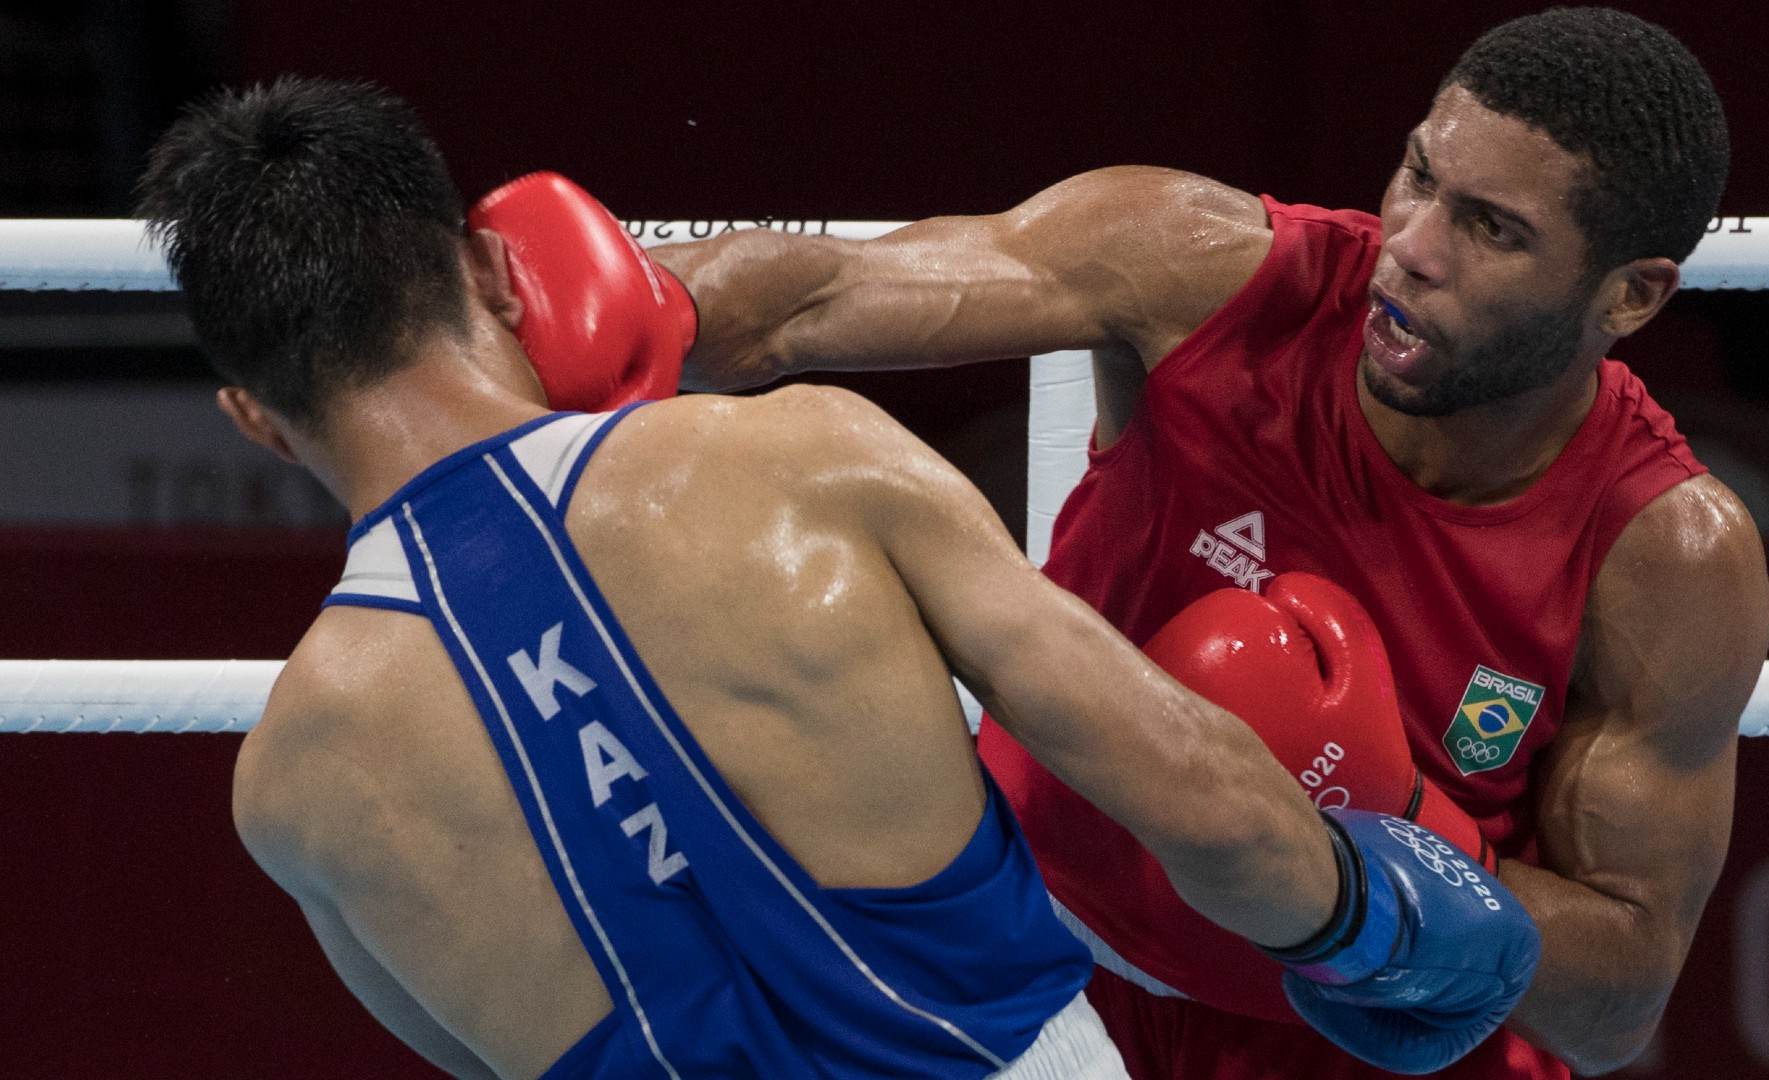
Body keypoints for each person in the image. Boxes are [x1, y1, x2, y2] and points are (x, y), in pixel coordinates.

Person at [138, 79, 1539, 1078]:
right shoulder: (798, 460)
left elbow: (471, 1052)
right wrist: (1370, 922)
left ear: (252, 416)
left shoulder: (293, 790)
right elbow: (1195, 793)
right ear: (502, 272)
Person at [540, 8, 1769, 1078]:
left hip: (1369, 1035)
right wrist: (624, 311)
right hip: (1031, 976)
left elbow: (1620, 1001)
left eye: (1493, 230)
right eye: (1418, 174)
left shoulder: (1666, 557)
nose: (1414, 245)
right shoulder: (1207, 274)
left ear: (1631, 295)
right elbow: (817, 298)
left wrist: (1391, 829)